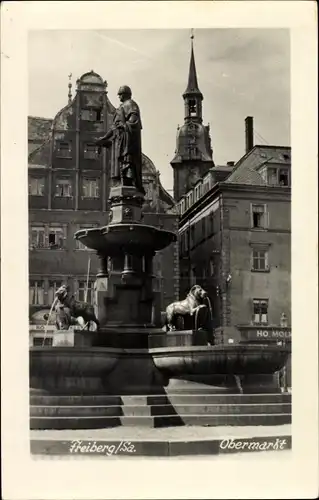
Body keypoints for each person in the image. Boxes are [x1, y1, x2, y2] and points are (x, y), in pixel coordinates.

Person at [95, 85, 145, 195]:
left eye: (120, 94)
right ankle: (123, 183)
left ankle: (129, 183)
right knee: (121, 167)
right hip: (119, 142)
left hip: (127, 142)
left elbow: (134, 120)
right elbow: (114, 128)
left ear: (126, 94)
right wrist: (104, 138)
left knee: (128, 163)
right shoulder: (121, 107)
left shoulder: (131, 104)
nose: (118, 97)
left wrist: (123, 126)